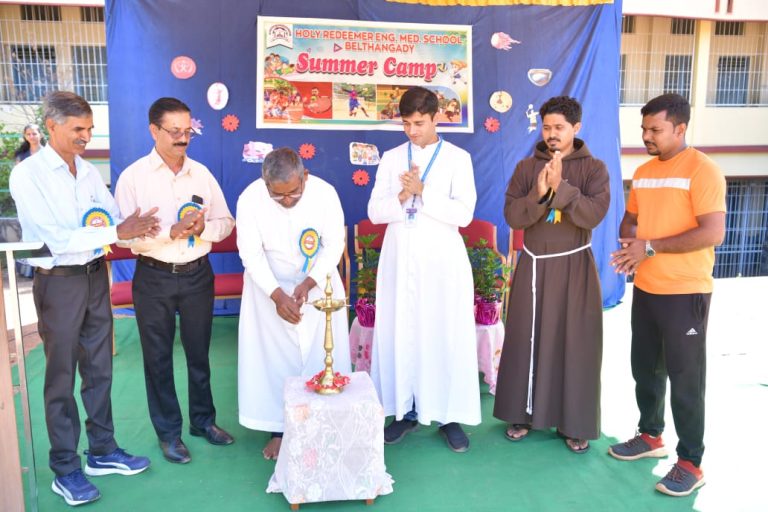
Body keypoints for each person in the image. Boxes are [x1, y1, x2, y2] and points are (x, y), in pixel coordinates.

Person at [9, 91, 158, 506]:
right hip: (58, 282)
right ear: (51, 125)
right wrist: (117, 232)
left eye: (90, 129)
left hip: (95, 277)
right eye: (78, 129)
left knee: (99, 368)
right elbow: (53, 238)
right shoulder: (28, 174)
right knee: (60, 377)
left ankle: (103, 451)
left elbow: (109, 216)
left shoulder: (88, 172)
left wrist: (131, 227)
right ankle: (65, 468)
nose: (86, 137)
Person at [608, 93, 726, 497]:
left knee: (686, 380)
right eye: (643, 129)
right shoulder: (642, 171)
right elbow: (633, 216)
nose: (647, 136)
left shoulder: (703, 170)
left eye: (655, 129)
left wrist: (651, 247)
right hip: (646, 287)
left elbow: (713, 232)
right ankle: (650, 436)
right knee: (645, 368)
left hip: (685, 291)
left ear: (680, 128)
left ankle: (691, 462)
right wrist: (629, 246)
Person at [114, 97, 236, 465]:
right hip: (154, 277)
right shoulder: (133, 177)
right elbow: (123, 237)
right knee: (158, 359)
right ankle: (169, 433)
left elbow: (226, 222)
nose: (183, 139)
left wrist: (204, 228)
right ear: (154, 131)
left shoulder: (201, 174)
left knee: (200, 354)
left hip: (198, 274)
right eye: (175, 132)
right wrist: (170, 231)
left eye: (188, 132)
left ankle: (204, 422)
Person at [492, 96, 610, 454]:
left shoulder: (595, 169)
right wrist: (540, 192)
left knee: (575, 342)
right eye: (547, 127)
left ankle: (574, 422)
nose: (552, 134)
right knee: (525, 337)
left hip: (574, 267)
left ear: (576, 127)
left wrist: (563, 188)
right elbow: (514, 217)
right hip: (533, 265)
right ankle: (521, 412)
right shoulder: (527, 167)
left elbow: (592, 216)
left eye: (559, 127)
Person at [367, 86, 480, 453]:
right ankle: (403, 411)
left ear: (436, 118)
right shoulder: (391, 158)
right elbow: (374, 212)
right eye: (406, 123)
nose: (412, 131)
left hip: (442, 263)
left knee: (442, 332)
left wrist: (423, 190)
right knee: (402, 331)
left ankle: (449, 416)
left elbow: (463, 214)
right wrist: (402, 196)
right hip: (400, 259)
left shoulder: (458, 159)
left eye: (419, 123)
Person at [236, 147, 351, 460]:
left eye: (294, 193)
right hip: (267, 285)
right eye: (278, 195)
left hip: (318, 282)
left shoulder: (326, 194)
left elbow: (334, 245)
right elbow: (251, 253)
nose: (287, 200)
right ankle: (280, 429)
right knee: (275, 360)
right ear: (265, 184)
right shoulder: (249, 199)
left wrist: (307, 283)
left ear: (305, 177)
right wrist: (276, 294)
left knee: (322, 353)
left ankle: (325, 422)